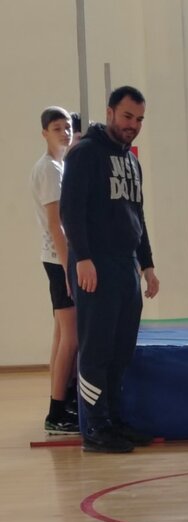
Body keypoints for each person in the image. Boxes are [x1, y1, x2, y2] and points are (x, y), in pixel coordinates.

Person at [60, 85, 160, 453]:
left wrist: (147, 265)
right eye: (127, 116)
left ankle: (115, 420)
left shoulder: (131, 160)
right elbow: (70, 210)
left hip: (126, 265)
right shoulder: (85, 153)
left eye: (139, 119)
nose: (133, 124)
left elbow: (137, 216)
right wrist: (83, 258)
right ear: (110, 112)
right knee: (96, 348)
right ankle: (95, 428)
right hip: (96, 264)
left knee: (121, 349)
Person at [30, 106, 78, 435]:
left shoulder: (58, 166)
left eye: (68, 127)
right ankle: (57, 411)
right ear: (45, 133)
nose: (65, 133)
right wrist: (68, 267)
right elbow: (54, 223)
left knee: (62, 335)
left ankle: (63, 401)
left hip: (56, 258)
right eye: (57, 128)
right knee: (71, 337)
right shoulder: (49, 169)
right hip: (58, 259)